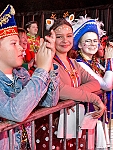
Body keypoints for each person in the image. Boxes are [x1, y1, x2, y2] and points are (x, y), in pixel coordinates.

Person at [0, 4, 59, 150]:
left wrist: (49, 66)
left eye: (20, 43)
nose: (21, 47)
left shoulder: (22, 74)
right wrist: (41, 71)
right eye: (14, 43)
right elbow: (15, 112)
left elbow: (50, 102)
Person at [35, 17, 106, 150]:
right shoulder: (48, 62)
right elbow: (60, 90)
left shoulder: (73, 62)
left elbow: (95, 83)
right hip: (52, 127)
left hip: (72, 125)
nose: (65, 40)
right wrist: (92, 98)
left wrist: (73, 94)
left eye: (69, 36)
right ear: (51, 39)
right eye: (59, 37)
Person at [72, 16, 113, 149]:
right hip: (91, 116)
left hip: (101, 115)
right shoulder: (80, 63)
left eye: (95, 41)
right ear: (79, 45)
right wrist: (110, 60)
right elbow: (106, 85)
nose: (93, 44)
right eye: (87, 41)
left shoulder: (95, 63)